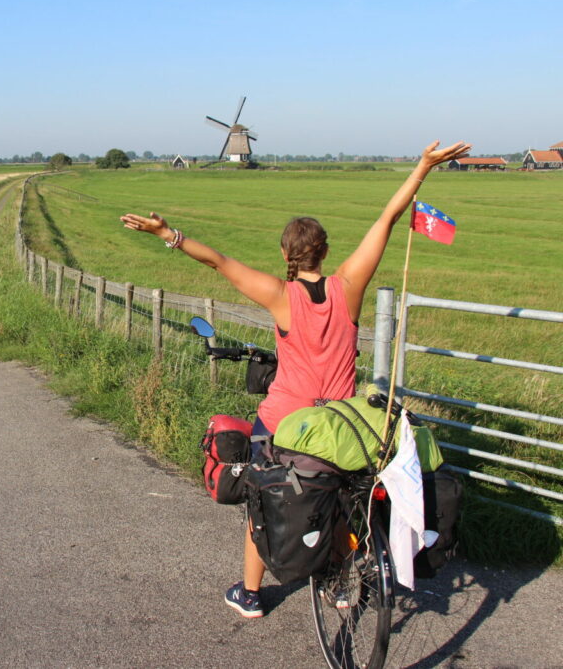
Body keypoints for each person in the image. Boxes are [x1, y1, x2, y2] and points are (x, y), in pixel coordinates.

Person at [120, 140, 471, 618]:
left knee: (262, 503)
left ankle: (249, 594)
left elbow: (219, 262)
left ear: (286, 253)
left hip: (286, 421)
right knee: (344, 499)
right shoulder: (348, 287)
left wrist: (169, 233)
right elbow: (387, 218)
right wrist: (423, 167)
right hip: (342, 425)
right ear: (325, 251)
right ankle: (342, 586)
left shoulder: (280, 295)